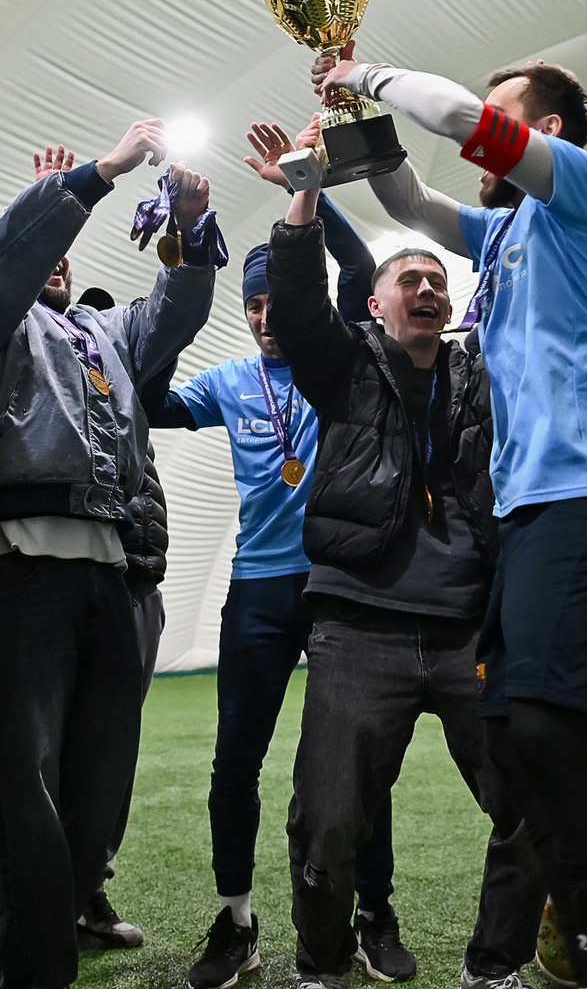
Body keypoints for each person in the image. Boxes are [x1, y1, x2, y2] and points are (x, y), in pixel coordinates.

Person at [331, 47, 587, 989]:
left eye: (504, 112)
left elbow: (452, 119)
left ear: (546, 131)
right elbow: (409, 202)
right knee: (514, 737)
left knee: (552, 732)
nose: (482, 133)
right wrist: (354, 122)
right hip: (529, 515)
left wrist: (369, 73)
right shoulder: (507, 231)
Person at [266, 166, 545, 989]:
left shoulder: (483, 374)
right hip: (359, 625)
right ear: (375, 305)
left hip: (472, 631)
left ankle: (492, 965)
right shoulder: (344, 367)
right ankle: (323, 967)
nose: (426, 288)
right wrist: (304, 195)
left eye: (437, 280)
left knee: (535, 802)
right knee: (326, 821)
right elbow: (296, 304)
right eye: (408, 280)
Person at [145, 121, 406, 989]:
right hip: (258, 590)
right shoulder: (228, 382)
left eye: (274, 302)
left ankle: (373, 913)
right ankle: (236, 922)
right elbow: (149, 401)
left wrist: (308, 191)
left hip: (341, 584)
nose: (264, 317)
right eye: (252, 305)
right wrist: (173, 289)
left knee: (357, 765)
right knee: (235, 764)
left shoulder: (345, 357)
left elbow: (361, 268)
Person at [0, 136, 219, 989]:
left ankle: (57, 932)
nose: (58, 259)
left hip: (109, 570)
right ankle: (12, 959)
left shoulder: (105, 331)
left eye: (67, 250)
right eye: (47, 245)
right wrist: (92, 177)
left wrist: (190, 225)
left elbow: (175, 312)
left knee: (98, 779)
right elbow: (2, 262)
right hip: (19, 566)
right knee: (24, 774)